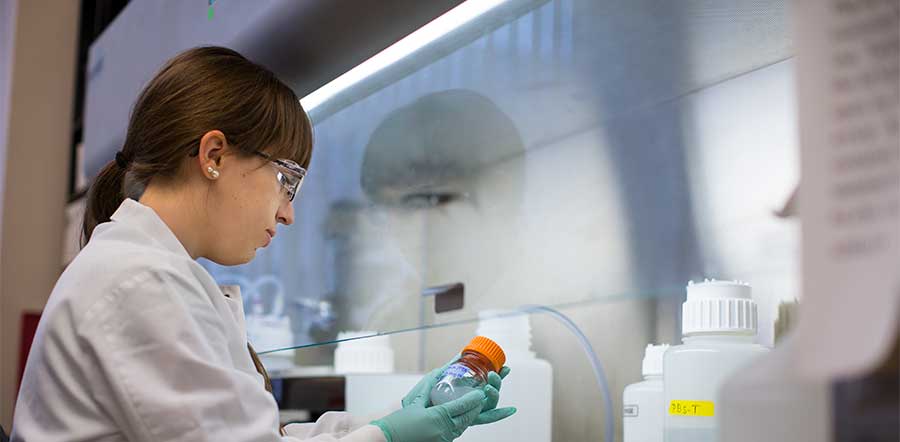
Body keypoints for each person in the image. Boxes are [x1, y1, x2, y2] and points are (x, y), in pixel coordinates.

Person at [11, 46, 515, 442]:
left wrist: (393, 418)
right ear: (213, 155)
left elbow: (255, 433)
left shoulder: (149, 273)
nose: (288, 213)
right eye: (286, 181)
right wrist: (387, 438)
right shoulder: (139, 283)